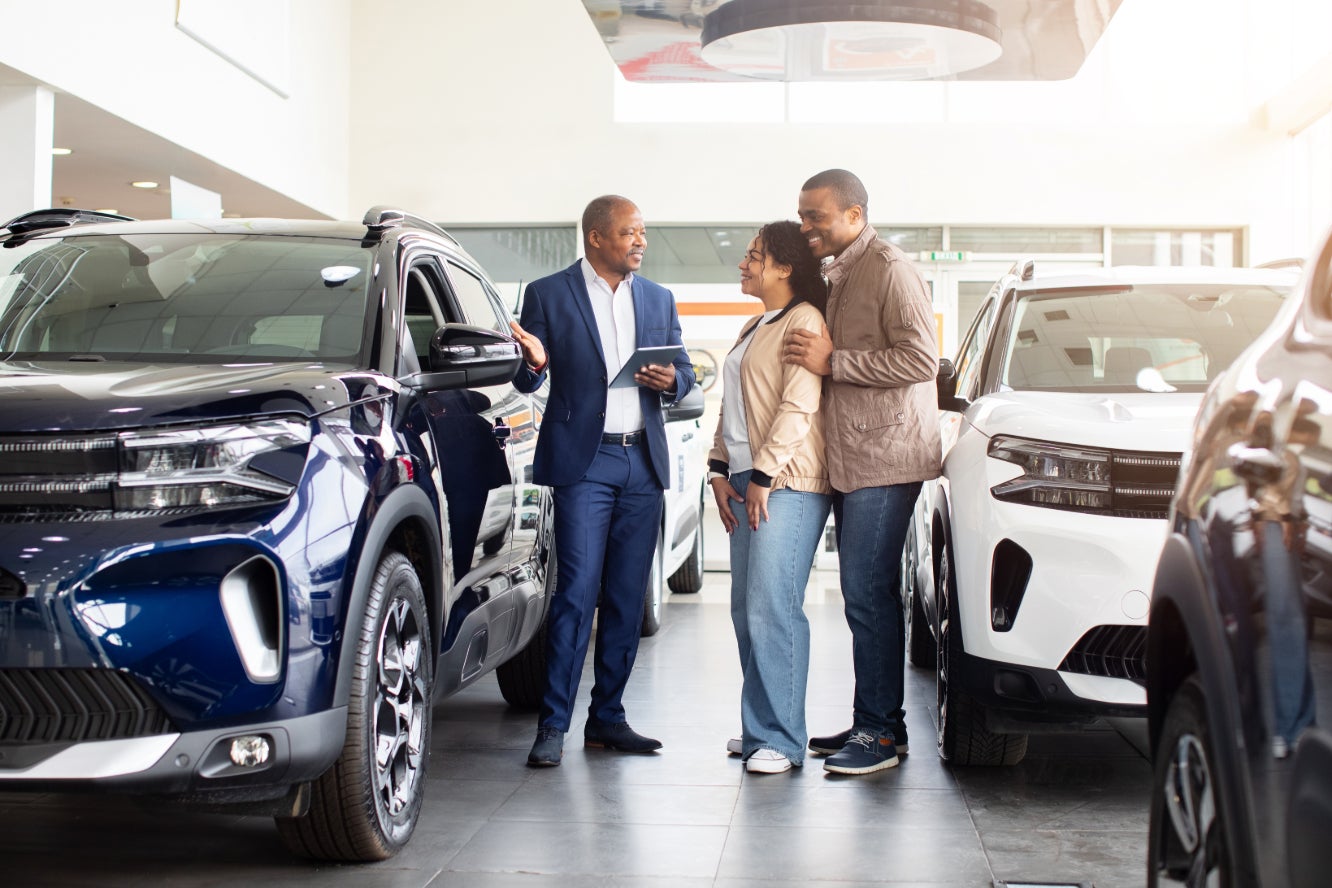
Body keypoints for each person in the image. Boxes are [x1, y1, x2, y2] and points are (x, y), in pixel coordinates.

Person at [509, 194, 696, 767]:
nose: (640, 241)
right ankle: (553, 726)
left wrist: (671, 381)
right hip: (583, 466)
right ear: (595, 237)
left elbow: (686, 376)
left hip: (642, 461)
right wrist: (535, 363)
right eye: (628, 233)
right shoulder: (547, 293)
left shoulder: (659, 298)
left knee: (624, 598)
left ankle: (608, 719)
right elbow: (522, 379)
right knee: (576, 593)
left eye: (642, 233)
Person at [783, 169, 942, 775]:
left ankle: (877, 735)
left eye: (816, 217)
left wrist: (835, 362)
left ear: (854, 214)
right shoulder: (839, 273)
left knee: (868, 596)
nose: (806, 228)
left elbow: (922, 358)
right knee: (863, 596)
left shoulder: (888, 267)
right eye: (801, 216)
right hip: (855, 457)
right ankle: (882, 725)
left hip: (886, 458)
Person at [708, 221, 831, 774]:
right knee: (744, 612)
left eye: (754, 256)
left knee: (772, 608)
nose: (743, 263)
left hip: (787, 484)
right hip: (744, 481)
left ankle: (780, 738)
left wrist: (762, 475)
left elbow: (799, 407)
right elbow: (730, 409)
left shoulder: (803, 320)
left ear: (783, 267)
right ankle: (760, 727)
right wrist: (717, 470)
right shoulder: (755, 325)